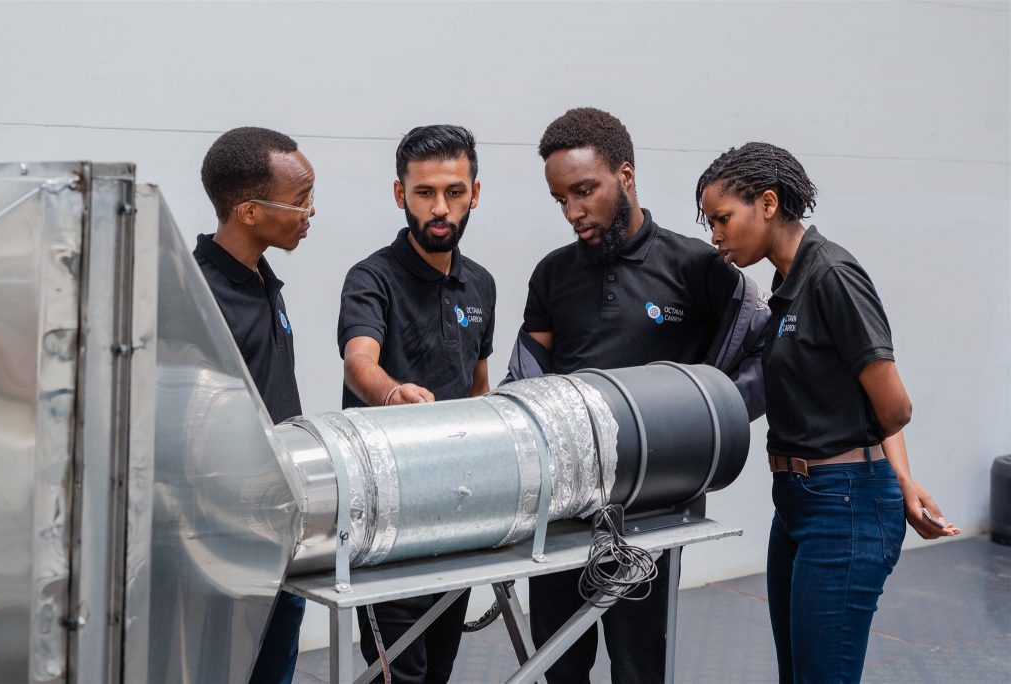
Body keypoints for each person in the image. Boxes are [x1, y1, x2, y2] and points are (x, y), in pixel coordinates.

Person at [506, 107, 769, 683]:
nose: (574, 213)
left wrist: (714, 424)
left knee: (638, 667)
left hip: (652, 514)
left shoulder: (697, 265)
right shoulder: (552, 274)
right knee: (559, 664)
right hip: (564, 513)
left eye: (584, 191)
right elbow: (525, 376)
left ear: (625, 176)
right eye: (561, 200)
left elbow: (762, 351)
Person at [695, 141, 960, 684]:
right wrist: (901, 478)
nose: (715, 235)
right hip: (798, 503)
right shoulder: (787, 286)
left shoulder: (832, 275)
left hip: (844, 506)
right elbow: (859, 400)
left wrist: (895, 480)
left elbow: (894, 405)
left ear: (767, 203)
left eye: (722, 219)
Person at [337, 124, 496, 683]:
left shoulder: (481, 285)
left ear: (474, 193)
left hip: (459, 510)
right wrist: (391, 392)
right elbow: (359, 360)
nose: (440, 208)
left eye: (454, 192)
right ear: (400, 193)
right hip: (388, 516)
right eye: (424, 192)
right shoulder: (371, 278)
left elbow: (480, 387)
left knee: (439, 667)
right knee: (397, 672)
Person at [195, 126, 315, 684]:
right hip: (223, 546)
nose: (310, 212)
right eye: (299, 201)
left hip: (279, 528)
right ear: (247, 211)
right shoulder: (199, 300)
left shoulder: (265, 280)